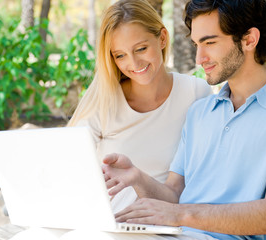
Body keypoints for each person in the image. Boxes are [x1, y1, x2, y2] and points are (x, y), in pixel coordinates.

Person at [102, 0, 266, 239]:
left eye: (209, 42)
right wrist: (137, 178)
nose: (200, 58)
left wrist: (180, 215)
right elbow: (175, 193)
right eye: (197, 44)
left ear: (249, 39)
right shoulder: (200, 113)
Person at [67, 0, 211, 212]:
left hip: (168, 222)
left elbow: (205, 177)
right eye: (120, 55)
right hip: (111, 220)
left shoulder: (195, 94)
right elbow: (67, 166)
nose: (134, 64)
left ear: (162, 38)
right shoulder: (104, 99)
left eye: (141, 48)